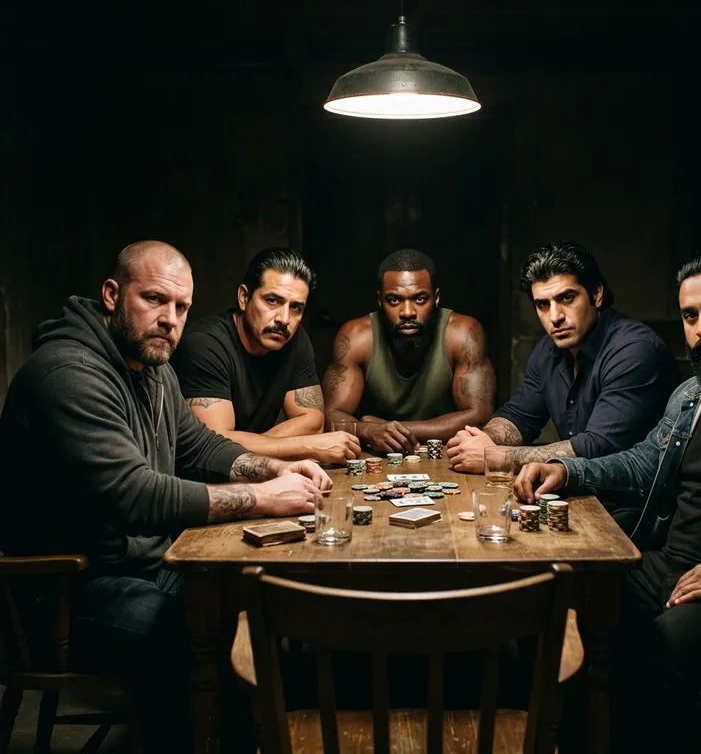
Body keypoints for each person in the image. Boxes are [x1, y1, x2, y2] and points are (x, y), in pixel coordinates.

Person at [0, 241, 332, 752]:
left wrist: (278, 466)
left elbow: (200, 446)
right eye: (154, 300)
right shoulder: (67, 375)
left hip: (139, 565)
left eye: (180, 307)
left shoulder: (152, 369)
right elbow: (134, 494)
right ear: (112, 295)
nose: (169, 319)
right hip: (64, 590)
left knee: (256, 608)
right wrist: (265, 497)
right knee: (197, 641)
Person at [513, 248, 701, 753]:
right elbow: (642, 462)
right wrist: (565, 471)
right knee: (558, 611)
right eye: (690, 316)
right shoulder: (693, 394)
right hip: (669, 565)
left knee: (658, 655)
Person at [447, 242, 677, 522]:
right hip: (576, 498)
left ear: (596, 294)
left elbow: (598, 446)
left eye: (567, 298)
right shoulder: (549, 349)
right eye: (543, 305)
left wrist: (494, 456)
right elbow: (519, 415)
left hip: (635, 511)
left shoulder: (635, 350)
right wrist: (485, 439)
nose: (555, 317)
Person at [172, 247, 360, 464]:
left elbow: (313, 421)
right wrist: (306, 446)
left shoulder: (296, 340)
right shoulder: (205, 345)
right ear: (244, 297)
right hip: (203, 482)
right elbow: (213, 446)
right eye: (272, 300)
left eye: (296, 307)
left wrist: (252, 446)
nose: (284, 319)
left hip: (262, 473)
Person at [322, 248, 496, 453]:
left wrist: (384, 429)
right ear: (380, 301)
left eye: (420, 299)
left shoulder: (462, 334)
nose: (407, 312)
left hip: (447, 456)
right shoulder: (356, 337)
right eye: (394, 300)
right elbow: (330, 414)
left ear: (436, 297)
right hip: (376, 458)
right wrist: (368, 431)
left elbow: (480, 416)